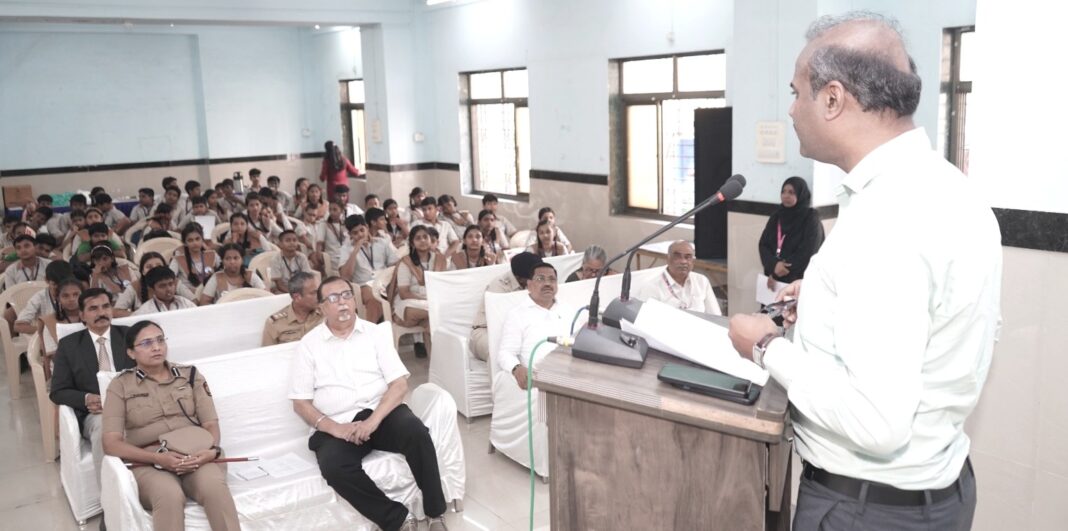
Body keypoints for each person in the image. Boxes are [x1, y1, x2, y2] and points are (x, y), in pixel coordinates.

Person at [727, 13, 1001, 531]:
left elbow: (875, 423)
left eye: (796, 92)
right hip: (938, 492)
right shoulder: (949, 189)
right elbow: (947, 324)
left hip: (866, 509)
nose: (789, 109)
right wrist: (826, 302)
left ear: (832, 99)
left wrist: (765, 346)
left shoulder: (885, 220)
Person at [289, 276, 449, 531]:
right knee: (334, 466)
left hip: (381, 413)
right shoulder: (308, 346)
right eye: (333, 298)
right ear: (321, 307)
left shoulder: (374, 333)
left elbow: (399, 384)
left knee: (416, 433)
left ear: (354, 301)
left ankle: (435, 513)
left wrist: (373, 421)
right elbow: (300, 402)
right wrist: (334, 428)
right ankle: (397, 519)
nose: (342, 303)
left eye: (346, 295)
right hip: (338, 422)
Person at [102, 320, 240, 531]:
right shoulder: (120, 385)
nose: (157, 347)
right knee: (169, 495)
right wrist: (158, 458)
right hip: (149, 461)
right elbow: (111, 444)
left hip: (195, 455)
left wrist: (209, 451)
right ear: (131, 352)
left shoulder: (190, 375)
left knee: (214, 487)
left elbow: (211, 423)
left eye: (160, 340)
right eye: (146, 343)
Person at [49, 288, 134, 487]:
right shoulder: (69, 345)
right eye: (93, 309)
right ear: (82, 315)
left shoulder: (129, 336)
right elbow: (58, 390)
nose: (101, 313)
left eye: (105, 306)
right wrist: (86, 399)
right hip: (96, 413)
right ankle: (110, 499)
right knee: (105, 426)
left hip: (133, 403)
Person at [498, 262, 573, 389]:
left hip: (570, 373)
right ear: (529, 285)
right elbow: (505, 353)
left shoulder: (568, 310)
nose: (547, 284)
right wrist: (517, 368)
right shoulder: (517, 315)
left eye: (552, 279)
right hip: (538, 376)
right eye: (540, 279)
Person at [469, 252, 540, 362]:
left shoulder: (534, 284)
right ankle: (500, 379)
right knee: (503, 351)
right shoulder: (499, 287)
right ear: (520, 278)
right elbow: (500, 323)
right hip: (486, 332)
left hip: (519, 334)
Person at [758, 177, 825, 289]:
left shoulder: (811, 218)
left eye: (791, 192)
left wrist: (779, 272)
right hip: (773, 279)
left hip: (798, 280)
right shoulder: (777, 216)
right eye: (783, 191)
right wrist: (773, 265)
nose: (786, 195)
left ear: (800, 194)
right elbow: (763, 245)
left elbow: (809, 251)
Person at [391, 226, 447, 358]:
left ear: (430, 239)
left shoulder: (439, 259)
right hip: (410, 304)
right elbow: (404, 293)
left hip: (430, 305)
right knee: (439, 313)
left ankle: (436, 364)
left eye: (425, 237)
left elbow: (444, 284)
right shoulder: (406, 262)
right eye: (418, 238)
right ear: (412, 243)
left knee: (431, 324)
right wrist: (427, 300)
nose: (422, 240)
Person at [338, 215, 399, 324]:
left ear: (367, 227)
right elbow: (345, 276)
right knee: (374, 299)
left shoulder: (381, 243)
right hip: (363, 284)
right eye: (355, 233)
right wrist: (356, 248)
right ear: (350, 235)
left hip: (384, 281)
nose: (360, 235)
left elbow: (395, 264)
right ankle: (371, 329)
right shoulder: (346, 248)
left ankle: (386, 325)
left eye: (362, 230)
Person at [636, 240, 720, 315]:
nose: (683, 261)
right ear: (668, 259)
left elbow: (715, 316)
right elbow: (647, 322)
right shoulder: (651, 287)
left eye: (688, 257)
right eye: (677, 256)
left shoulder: (701, 281)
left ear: (693, 261)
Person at [262, 272, 323, 346]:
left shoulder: (325, 313)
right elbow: (267, 353)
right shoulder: (275, 323)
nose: (320, 296)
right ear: (297, 297)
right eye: (314, 293)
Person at [14, 261, 74, 335]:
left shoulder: (77, 294)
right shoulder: (39, 298)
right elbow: (18, 326)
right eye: (55, 284)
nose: (60, 289)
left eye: (64, 284)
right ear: (46, 280)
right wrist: (47, 332)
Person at [39, 278, 83, 371]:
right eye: (65, 296)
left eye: (76, 295)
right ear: (58, 298)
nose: (72, 299)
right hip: (63, 369)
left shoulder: (91, 317)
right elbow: (55, 356)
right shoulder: (50, 321)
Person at [199, 243, 267, 305]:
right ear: (222, 261)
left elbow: (266, 296)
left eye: (236, 258)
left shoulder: (251, 276)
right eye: (228, 258)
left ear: (242, 260)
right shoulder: (216, 278)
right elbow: (204, 302)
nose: (232, 262)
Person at [170, 223, 218, 293]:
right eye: (190, 240)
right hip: (188, 297)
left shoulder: (212, 255)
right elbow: (169, 278)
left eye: (197, 239)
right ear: (185, 243)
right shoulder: (177, 260)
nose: (195, 243)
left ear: (202, 239)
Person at [133, 266, 198, 315]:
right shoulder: (145, 310)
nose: (168, 289)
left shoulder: (185, 303)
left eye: (171, 284)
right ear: (152, 289)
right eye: (162, 286)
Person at [269, 230, 313, 294]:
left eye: (294, 240)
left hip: (299, 288)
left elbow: (306, 278)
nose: (292, 243)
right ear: (280, 244)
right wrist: (293, 294)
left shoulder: (302, 257)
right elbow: (279, 285)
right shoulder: (275, 259)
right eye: (288, 240)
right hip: (281, 289)